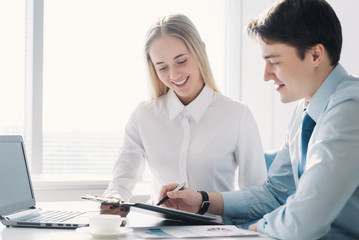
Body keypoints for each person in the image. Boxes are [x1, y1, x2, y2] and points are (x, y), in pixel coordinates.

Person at [158, 1, 359, 239]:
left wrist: (258, 227)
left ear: (315, 54)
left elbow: (304, 223)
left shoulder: (350, 109)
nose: (265, 75)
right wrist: (202, 200)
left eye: (274, 61)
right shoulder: (304, 111)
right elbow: (276, 193)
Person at [101, 14, 266, 216]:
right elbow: (121, 182)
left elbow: (257, 196)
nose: (174, 75)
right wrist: (113, 198)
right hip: (159, 231)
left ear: (200, 51)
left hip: (216, 232)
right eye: (162, 67)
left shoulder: (237, 115)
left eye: (181, 61)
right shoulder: (144, 115)